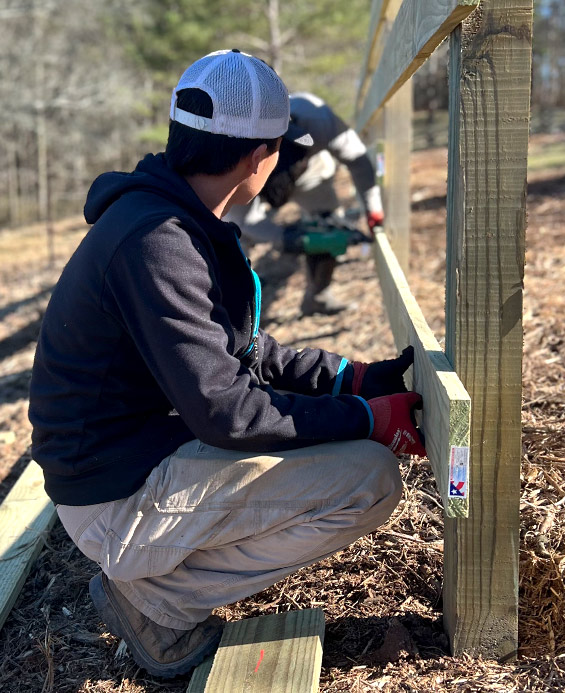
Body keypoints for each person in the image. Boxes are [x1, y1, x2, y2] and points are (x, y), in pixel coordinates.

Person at [28, 49, 425, 679]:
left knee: (346, 453)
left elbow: (245, 353)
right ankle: (155, 601)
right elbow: (227, 411)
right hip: (112, 495)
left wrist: (354, 380)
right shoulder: (159, 242)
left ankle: (159, 576)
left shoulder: (176, 219)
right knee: (368, 479)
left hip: (131, 457)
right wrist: (365, 419)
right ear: (255, 158)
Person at [225, 92, 384, 315]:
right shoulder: (230, 155)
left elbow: (357, 160)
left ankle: (318, 295)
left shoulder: (317, 119)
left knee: (327, 221)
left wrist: (373, 207)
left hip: (310, 171)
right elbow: (245, 221)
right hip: (251, 179)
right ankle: (235, 305)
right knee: (235, 237)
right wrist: (289, 239)